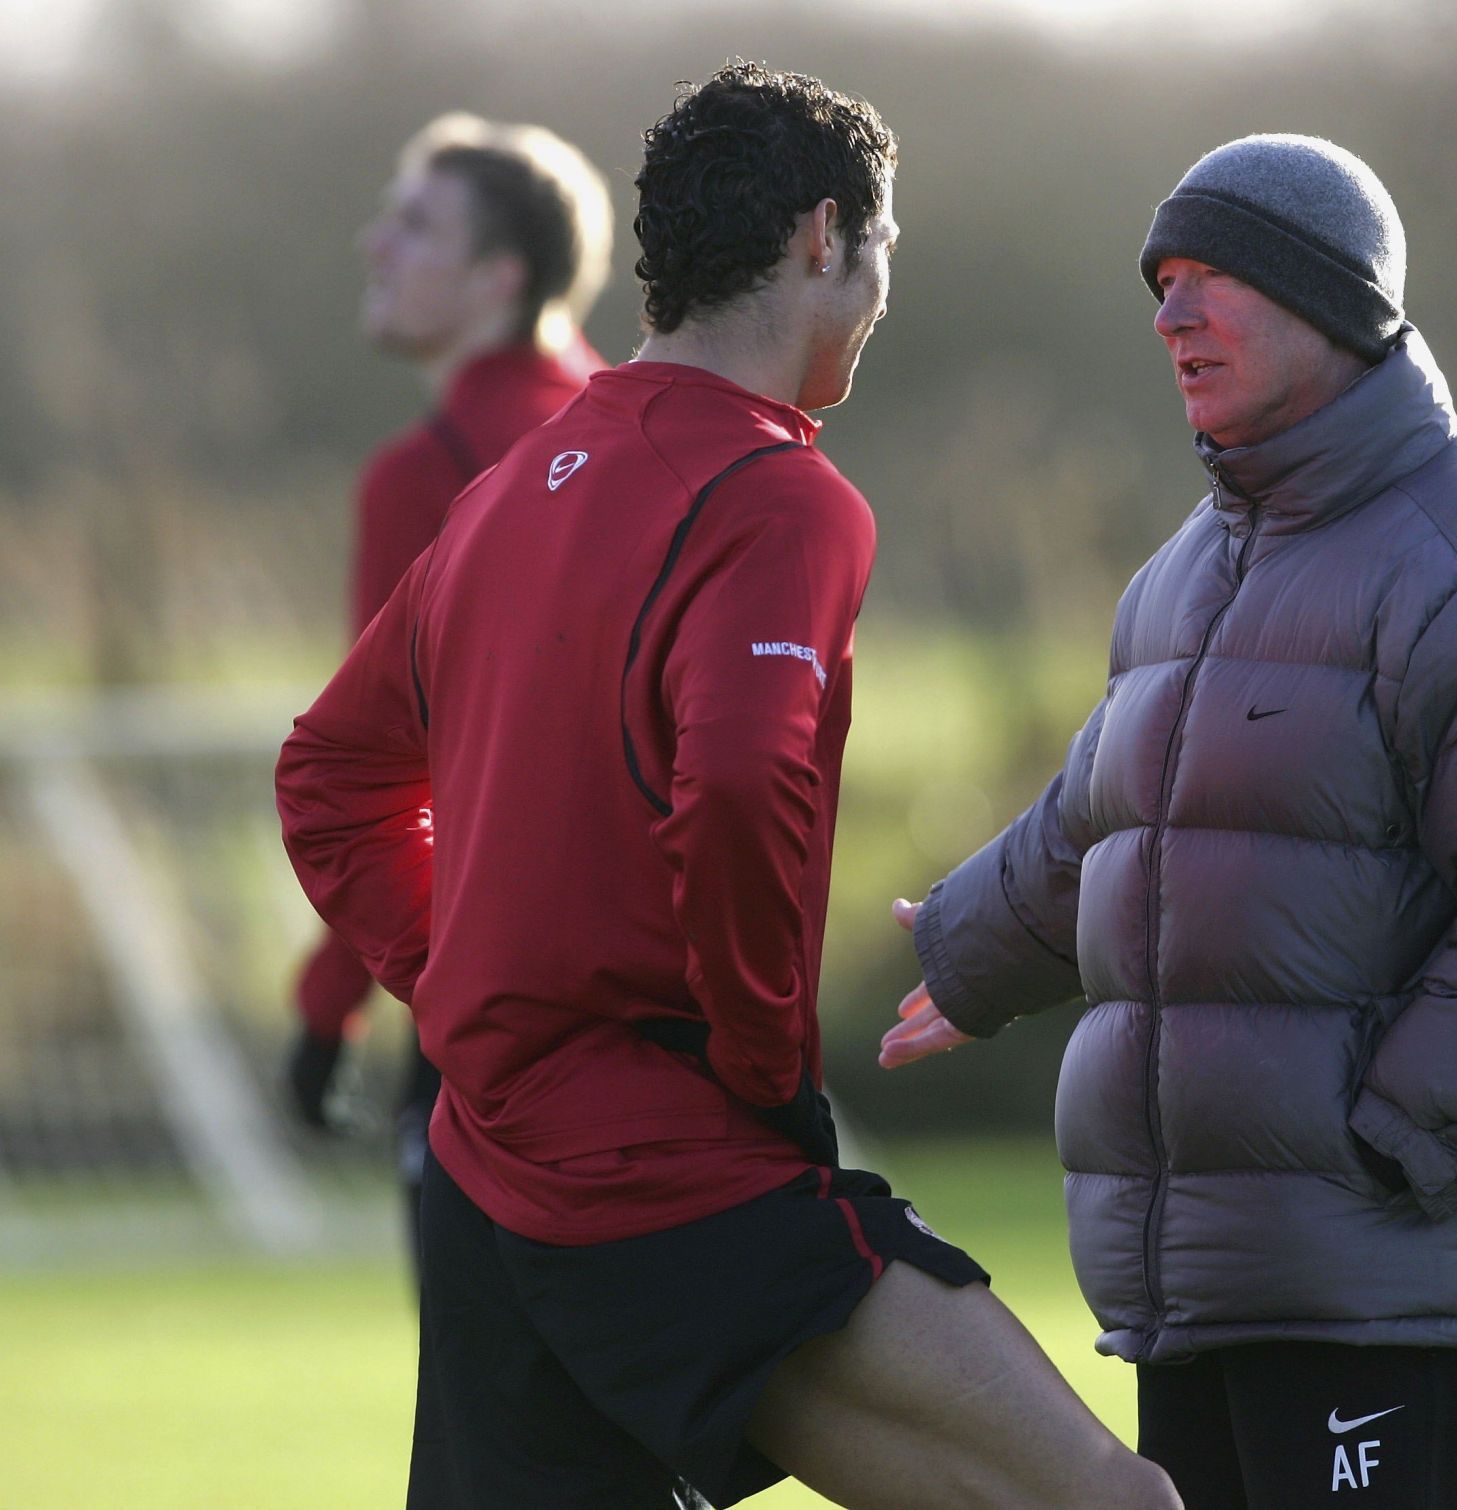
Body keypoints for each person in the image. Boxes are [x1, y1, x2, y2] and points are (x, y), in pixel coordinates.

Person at [278, 63, 1179, 1510]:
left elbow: (327, 774)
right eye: (883, 253)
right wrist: (766, 1068)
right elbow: (745, 778)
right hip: (664, 1171)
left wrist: (458, 988)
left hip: (483, 1169)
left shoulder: (514, 481)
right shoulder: (783, 493)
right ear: (826, 235)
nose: (883, 293)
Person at [881, 134, 1457, 1508]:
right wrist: (970, 948)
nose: (1171, 315)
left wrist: (1387, 1141)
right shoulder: (1179, 576)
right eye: (1160, 283)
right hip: (1208, 1289)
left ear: (1339, 300)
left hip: (1398, 1300)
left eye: (1216, 278)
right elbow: (1110, 814)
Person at [284, 111, 612, 1280]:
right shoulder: (652, 429)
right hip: (676, 1017)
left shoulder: (431, 478)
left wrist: (331, 1010)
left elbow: (379, 772)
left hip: (497, 1033)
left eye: (415, 224)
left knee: (501, 1442)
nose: (377, 244)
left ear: (498, 276)